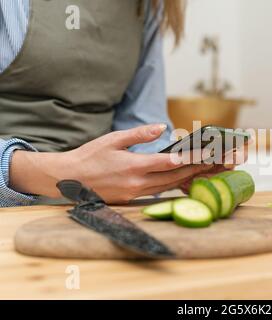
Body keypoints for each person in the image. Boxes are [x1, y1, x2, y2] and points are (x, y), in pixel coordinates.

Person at [0, 0, 229, 207]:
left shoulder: (147, 4)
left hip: (96, 209)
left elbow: (142, 122)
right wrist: (60, 173)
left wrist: (179, 167)